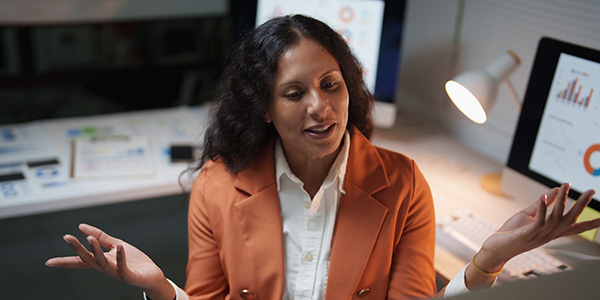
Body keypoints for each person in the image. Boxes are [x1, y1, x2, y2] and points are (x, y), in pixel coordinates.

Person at [45, 15, 600, 300]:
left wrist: (488, 258)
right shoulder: (217, 185)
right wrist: (164, 291)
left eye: (331, 85)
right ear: (262, 107)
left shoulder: (403, 184)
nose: (321, 108)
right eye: (294, 93)